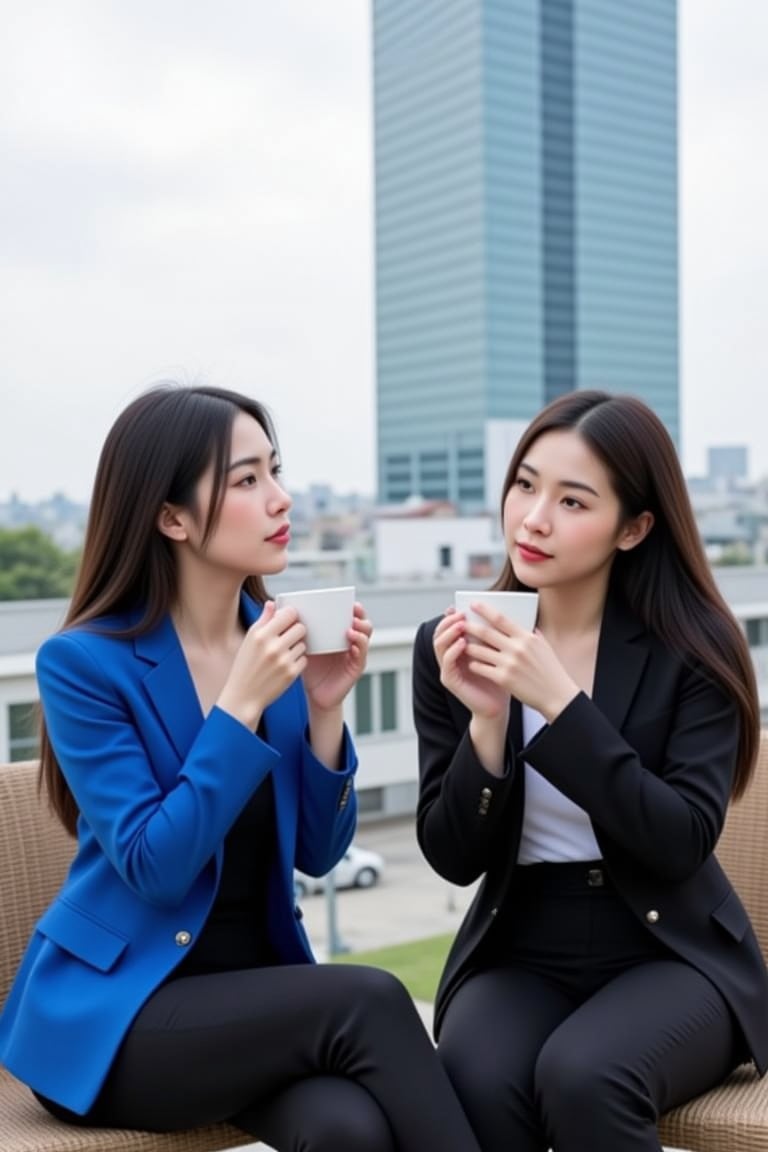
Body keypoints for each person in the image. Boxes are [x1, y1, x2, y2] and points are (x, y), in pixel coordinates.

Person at [0, 383, 481, 1152]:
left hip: (252, 999)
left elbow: (318, 855)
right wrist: (238, 709)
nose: (281, 499)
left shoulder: (279, 643)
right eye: (247, 480)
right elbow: (155, 867)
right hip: (122, 1017)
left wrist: (325, 711)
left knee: (346, 1130)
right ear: (171, 517)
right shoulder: (85, 664)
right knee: (371, 996)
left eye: (276, 472)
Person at [412, 389, 768, 1152]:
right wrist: (488, 721)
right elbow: (451, 857)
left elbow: (680, 841)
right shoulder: (453, 642)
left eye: (573, 501)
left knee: (586, 1075)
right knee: (475, 1076)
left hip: (669, 950)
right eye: (525, 485)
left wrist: (562, 707)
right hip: (521, 942)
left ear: (634, 527)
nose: (534, 518)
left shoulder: (693, 648)